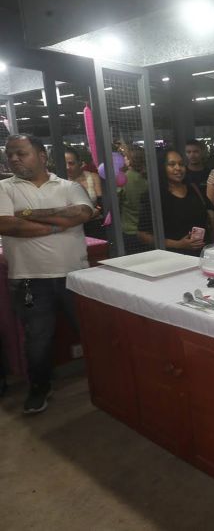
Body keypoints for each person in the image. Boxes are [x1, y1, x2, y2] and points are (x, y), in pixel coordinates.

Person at [0, 134, 93, 413]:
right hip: (30, 280)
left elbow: (82, 213)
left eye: (21, 153)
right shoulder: (4, 187)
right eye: (10, 154)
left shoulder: (68, 186)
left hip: (76, 276)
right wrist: (56, 225)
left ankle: (105, 382)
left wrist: (27, 213)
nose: (14, 159)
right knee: (37, 341)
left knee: (90, 333)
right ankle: (40, 387)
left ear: (42, 156)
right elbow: (7, 225)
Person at [138, 148, 214, 256]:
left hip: (204, 255)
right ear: (162, 168)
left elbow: (211, 212)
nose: (178, 168)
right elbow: (142, 235)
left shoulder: (193, 188)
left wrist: (211, 215)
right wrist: (178, 244)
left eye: (181, 164)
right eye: (172, 164)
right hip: (173, 257)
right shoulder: (155, 195)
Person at [120, 145, 149, 254]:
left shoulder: (125, 178)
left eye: (126, 157)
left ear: (130, 160)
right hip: (146, 229)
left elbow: (117, 199)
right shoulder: (147, 176)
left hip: (128, 229)